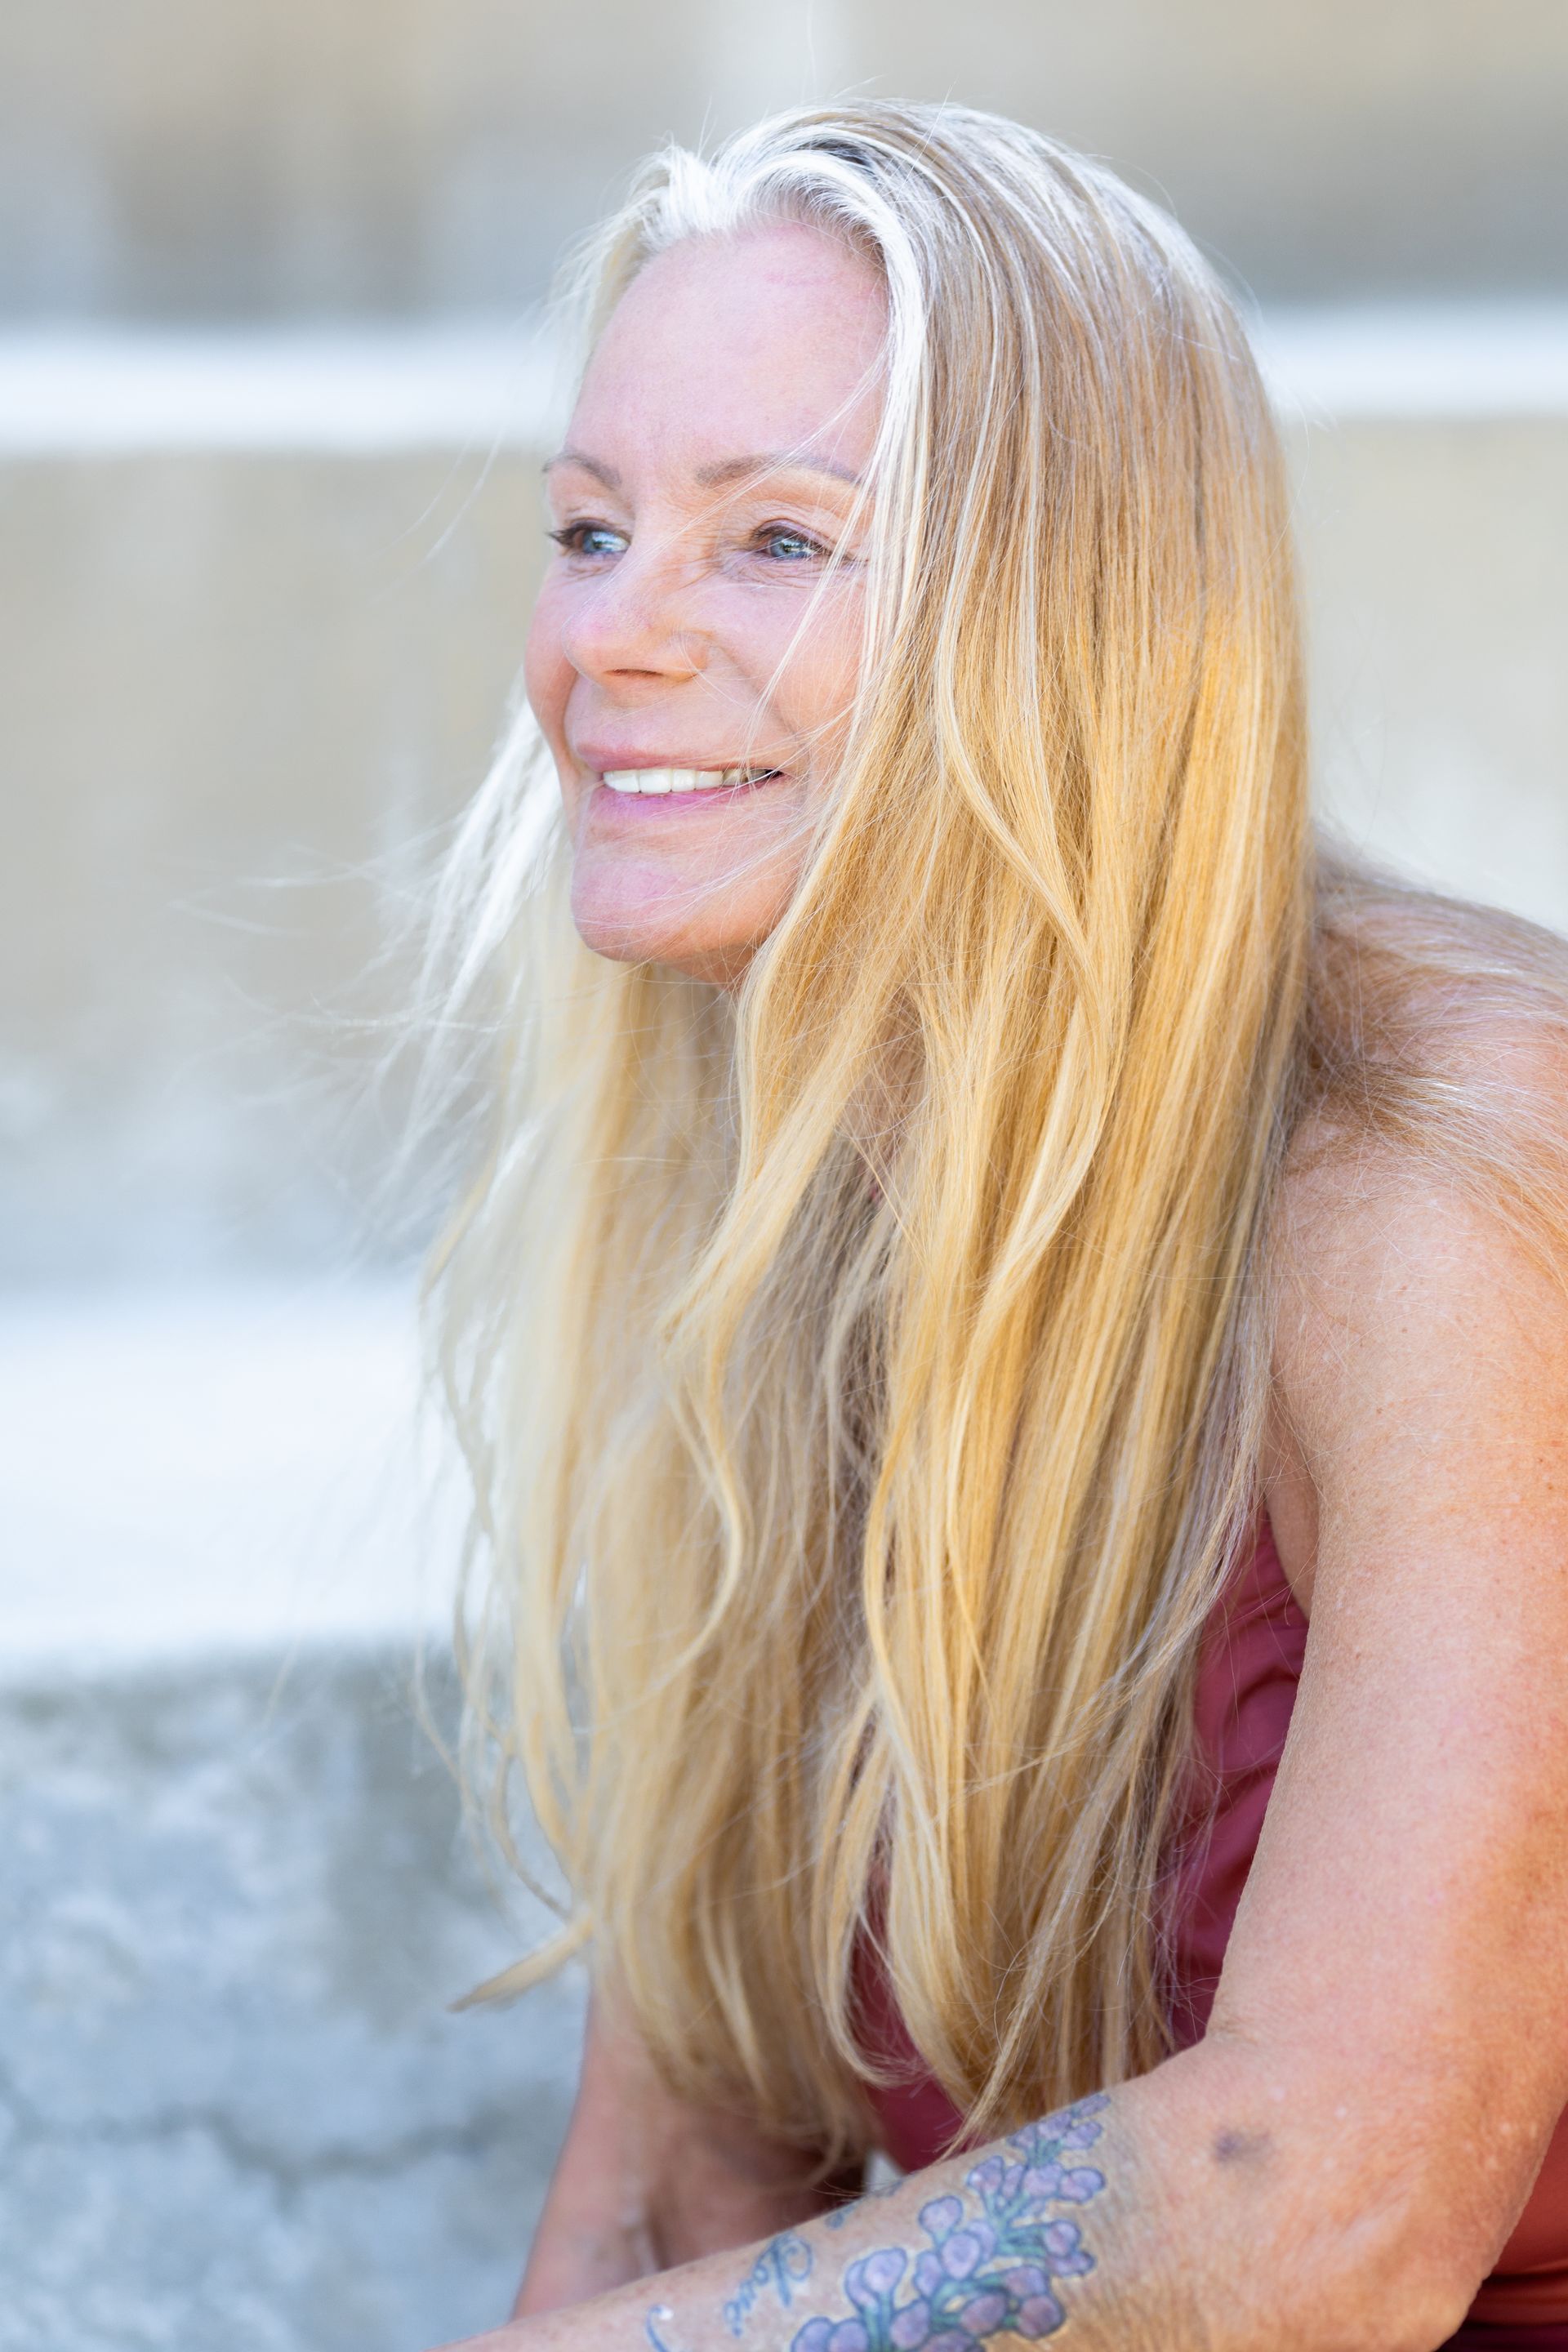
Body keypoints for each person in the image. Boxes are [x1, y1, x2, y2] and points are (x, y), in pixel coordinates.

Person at [424, 102, 1568, 2352]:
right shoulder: (771, 1192)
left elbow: (1329, 2208)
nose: (611, 644)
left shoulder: (1448, 1184)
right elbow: (669, 2197)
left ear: (1067, 616)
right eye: (589, 526)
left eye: (775, 540)